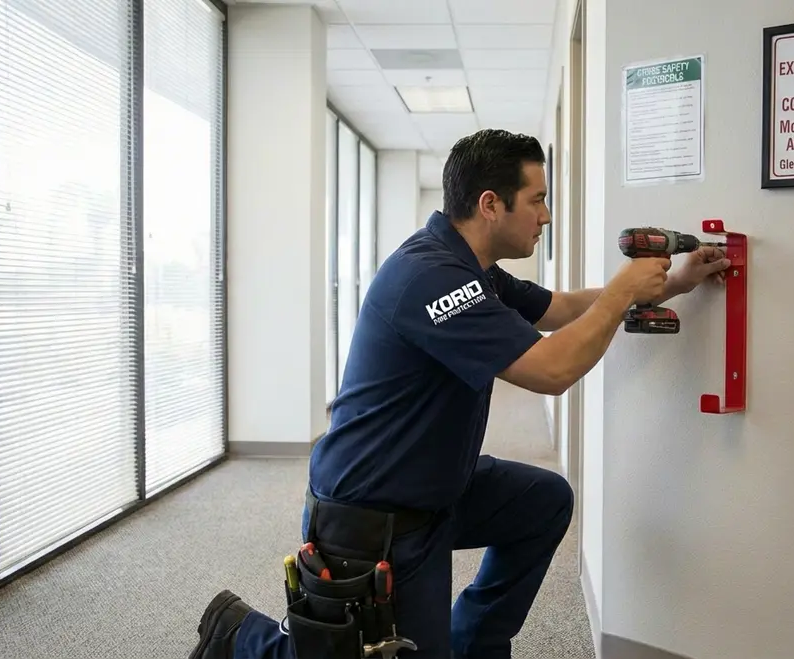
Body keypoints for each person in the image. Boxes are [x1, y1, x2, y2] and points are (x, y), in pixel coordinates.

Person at [189, 129, 731, 659]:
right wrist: (620, 293)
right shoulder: (432, 277)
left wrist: (674, 283)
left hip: (439, 488)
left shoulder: (478, 271)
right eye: (537, 200)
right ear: (491, 203)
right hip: (372, 517)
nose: (545, 216)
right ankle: (239, 636)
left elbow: (562, 308)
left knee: (543, 502)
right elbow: (552, 369)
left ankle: (476, 641)